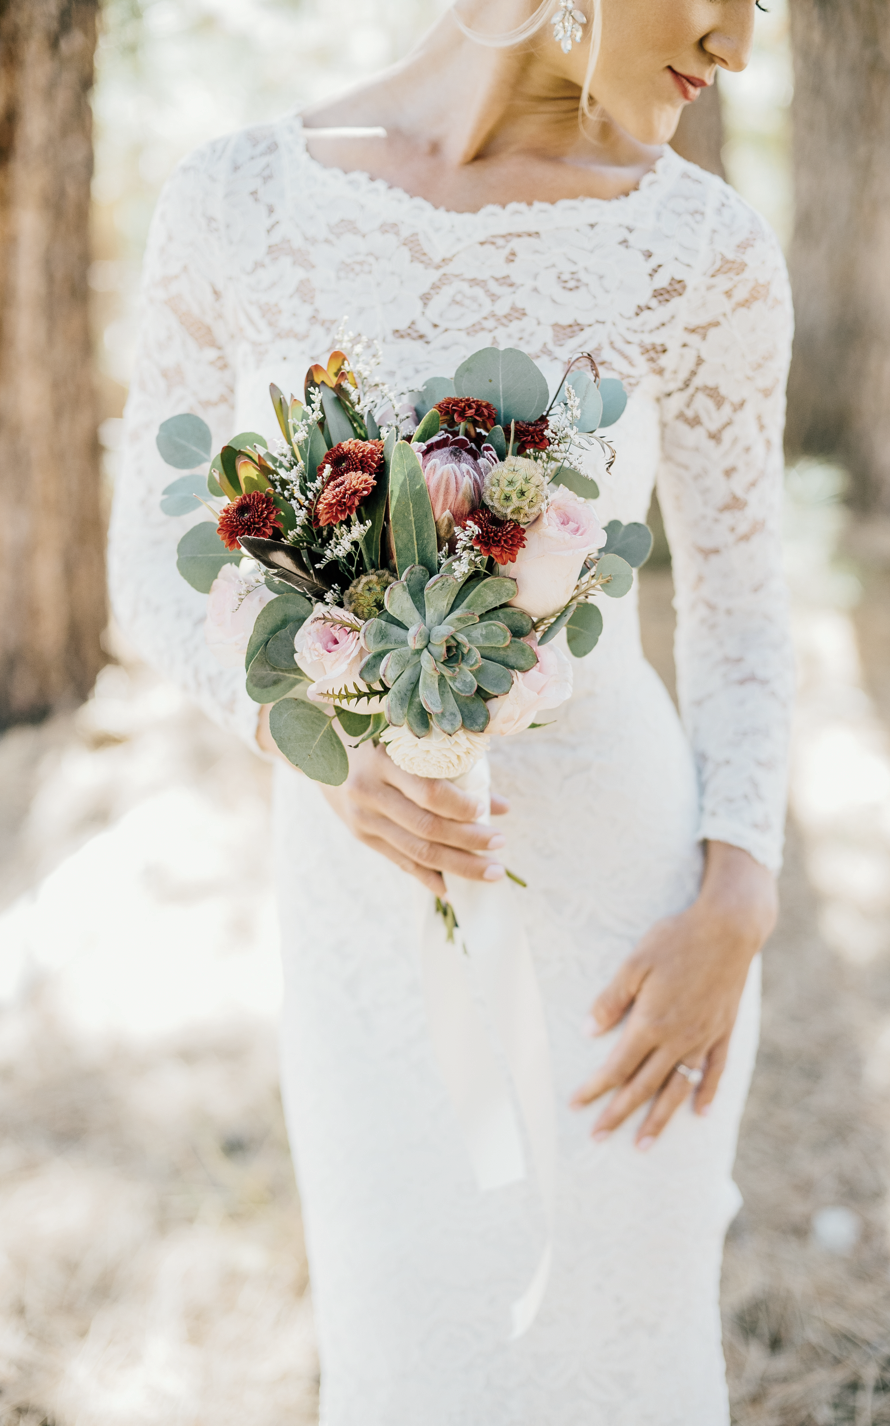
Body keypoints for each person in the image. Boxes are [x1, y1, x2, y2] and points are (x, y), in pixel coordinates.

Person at [109, 1, 793, 1420]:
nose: (735, 45)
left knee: (627, 1350)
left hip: (632, 918)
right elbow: (148, 556)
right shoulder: (239, 198)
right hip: (365, 895)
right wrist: (301, 736)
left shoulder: (703, 250)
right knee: (411, 1348)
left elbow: (739, 602)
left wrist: (738, 898)